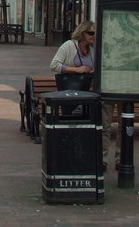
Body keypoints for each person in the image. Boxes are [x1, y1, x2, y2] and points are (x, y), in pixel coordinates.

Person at [50, 20, 119, 171]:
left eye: (95, 34)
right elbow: (54, 65)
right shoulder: (69, 46)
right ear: (82, 33)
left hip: (88, 95)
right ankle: (71, 158)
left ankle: (84, 156)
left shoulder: (93, 51)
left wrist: (92, 72)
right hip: (71, 93)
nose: (93, 36)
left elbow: (93, 69)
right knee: (72, 125)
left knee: (88, 126)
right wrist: (77, 70)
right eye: (91, 33)